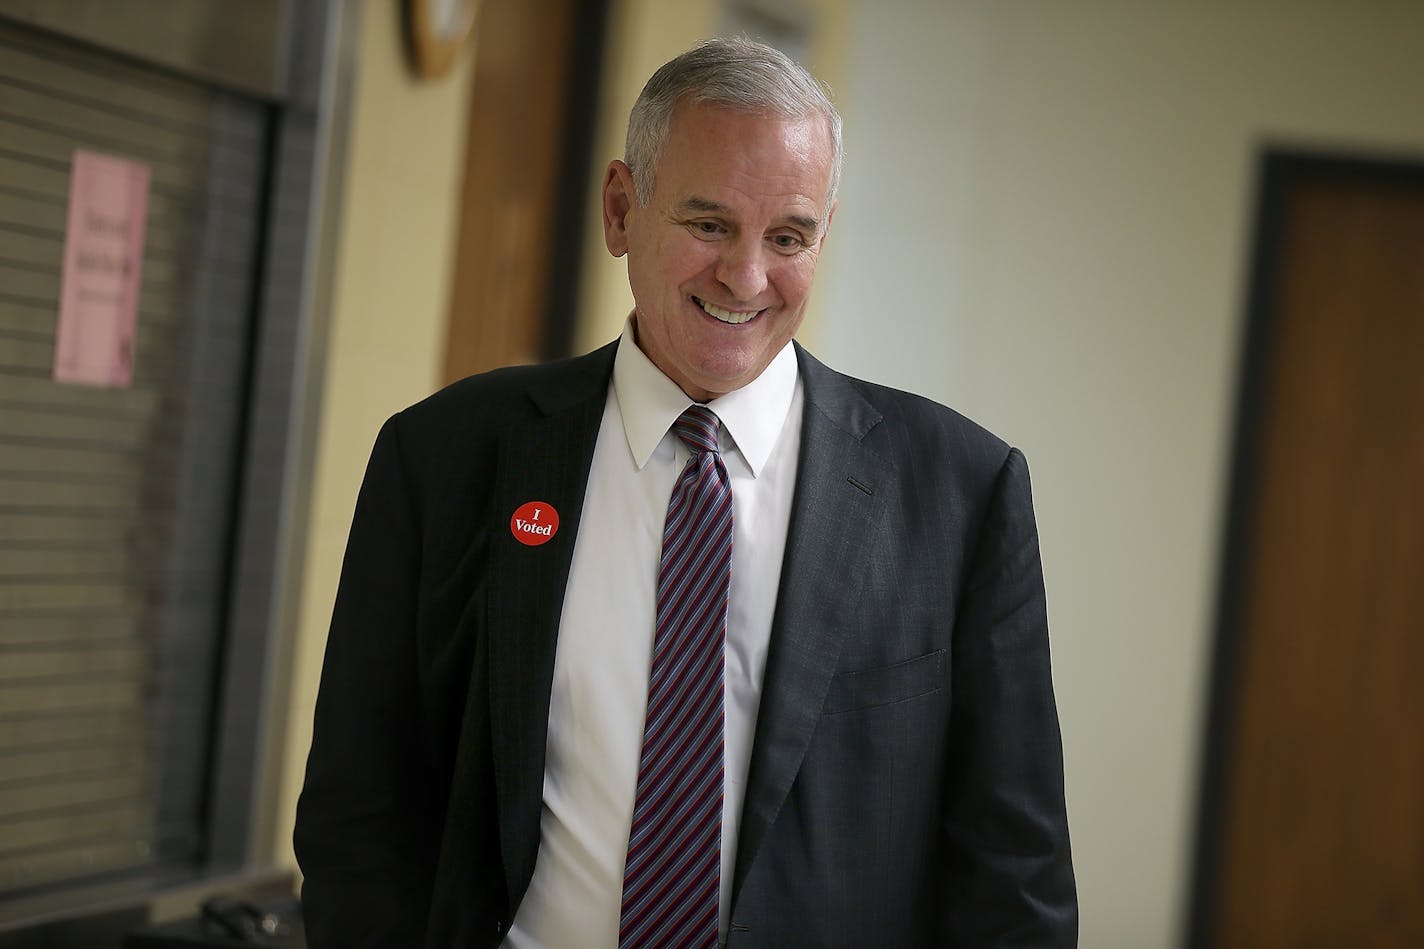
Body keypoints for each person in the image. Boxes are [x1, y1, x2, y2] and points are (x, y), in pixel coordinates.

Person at [295, 36, 1076, 948]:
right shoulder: (444, 456)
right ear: (622, 208)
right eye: (709, 225)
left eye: (787, 237)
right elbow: (360, 809)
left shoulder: (962, 493)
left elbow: (1014, 874)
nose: (746, 277)